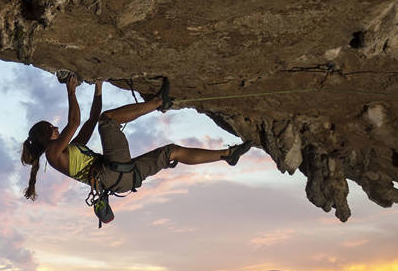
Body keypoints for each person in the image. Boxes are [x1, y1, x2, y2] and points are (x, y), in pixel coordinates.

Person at [21, 75, 253, 224]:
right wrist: (70, 90)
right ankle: (158, 102)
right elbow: (74, 122)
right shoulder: (53, 154)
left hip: (124, 179)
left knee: (171, 152)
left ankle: (227, 155)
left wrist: (99, 85)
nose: (56, 128)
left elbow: (90, 119)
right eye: (51, 128)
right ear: (43, 136)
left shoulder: (70, 150)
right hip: (112, 172)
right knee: (108, 121)